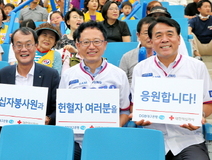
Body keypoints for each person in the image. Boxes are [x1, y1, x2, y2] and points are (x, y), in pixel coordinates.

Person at [131, 16, 212, 160]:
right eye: (158, 35)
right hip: (152, 139)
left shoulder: (196, 67)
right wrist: (139, 116)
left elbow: (207, 103)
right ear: (151, 41)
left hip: (187, 139)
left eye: (170, 34)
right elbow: (134, 106)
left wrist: (198, 115)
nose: (164, 40)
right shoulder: (140, 69)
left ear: (179, 39)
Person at [59, 20, 131, 160]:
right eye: (86, 42)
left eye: (97, 41)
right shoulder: (68, 75)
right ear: (78, 45)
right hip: (75, 141)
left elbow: (125, 111)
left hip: (107, 140)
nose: (91, 47)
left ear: (105, 44)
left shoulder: (119, 75)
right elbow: (62, 111)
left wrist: (112, 127)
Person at [0, 27, 59, 159]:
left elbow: (58, 108)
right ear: (12, 47)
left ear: (35, 46)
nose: (24, 49)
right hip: (9, 132)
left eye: (28, 44)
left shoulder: (50, 74)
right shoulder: (3, 74)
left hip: (39, 132)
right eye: (19, 45)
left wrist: (49, 118)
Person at [119, 17, 156, 84]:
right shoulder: (127, 57)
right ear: (138, 35)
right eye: (146, 33)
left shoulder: (165, 57)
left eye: (153, 33)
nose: (150, 37)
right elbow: (121, 83)